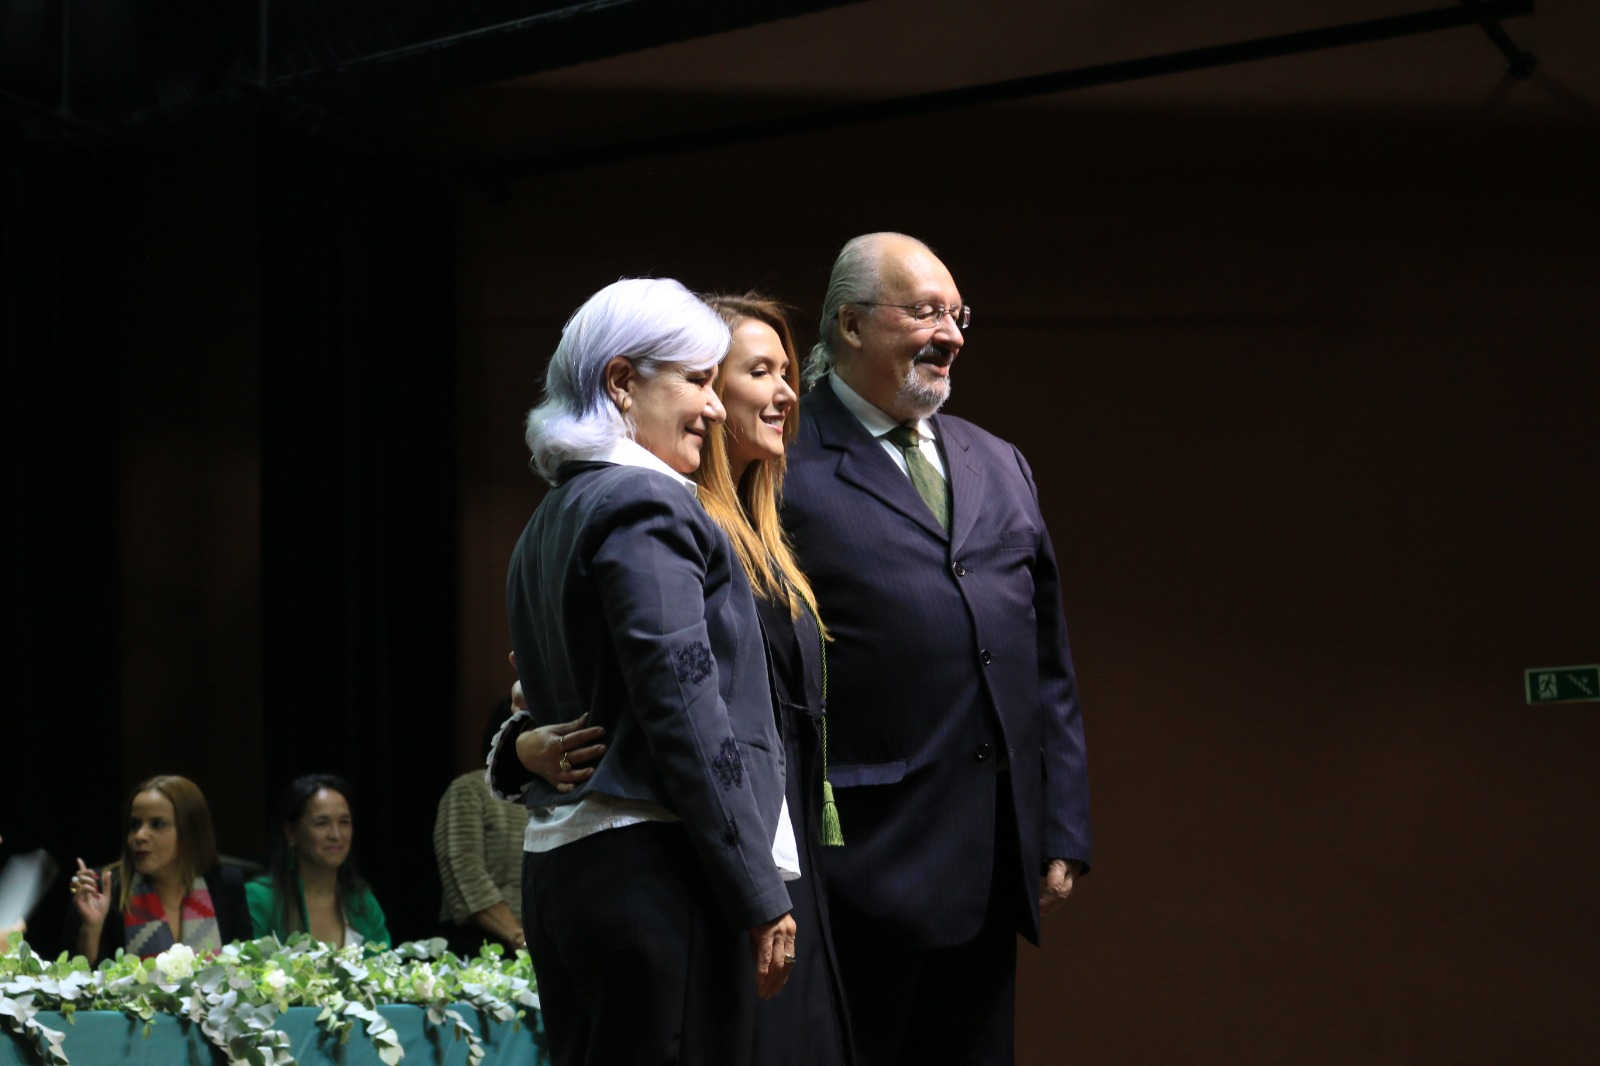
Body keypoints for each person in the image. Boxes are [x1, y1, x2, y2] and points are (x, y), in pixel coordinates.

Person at [782, 233, 1093, 1065]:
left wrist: (1059, 823)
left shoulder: (998, 461)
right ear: (849, 325)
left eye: (957, 315)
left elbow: (1046, 660)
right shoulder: (781, 463)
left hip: (993, 858)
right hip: (860, 864)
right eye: (923, 312)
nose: (950, 333)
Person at [488, 277, 796, 1066]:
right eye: (697, 380)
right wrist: (757, 889)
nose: (717, 406)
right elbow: (685, 710)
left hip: (570, 875)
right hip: (652, 876)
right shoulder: (646, 504)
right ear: (622, 382)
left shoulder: (552, 516)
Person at [434, 694, 603, 956]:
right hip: (486, 947)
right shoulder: (470, 789)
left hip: (553, 946)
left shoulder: (568, 791)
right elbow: (464, 872)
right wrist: (520, 938)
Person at [64, 775, 251, 965]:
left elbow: (244, 970)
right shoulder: (102, 889)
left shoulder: (224, 883)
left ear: (190, 831)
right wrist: (92, 929)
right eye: (135, 825)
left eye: (157, 824)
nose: (140, 835)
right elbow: (78, 983)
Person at [246, 774, 390, 949]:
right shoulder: (260, 898)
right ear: (291, 832)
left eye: (344, 822)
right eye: (322, 823)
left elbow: (386, 966)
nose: (336, 835)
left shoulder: (361, 901)